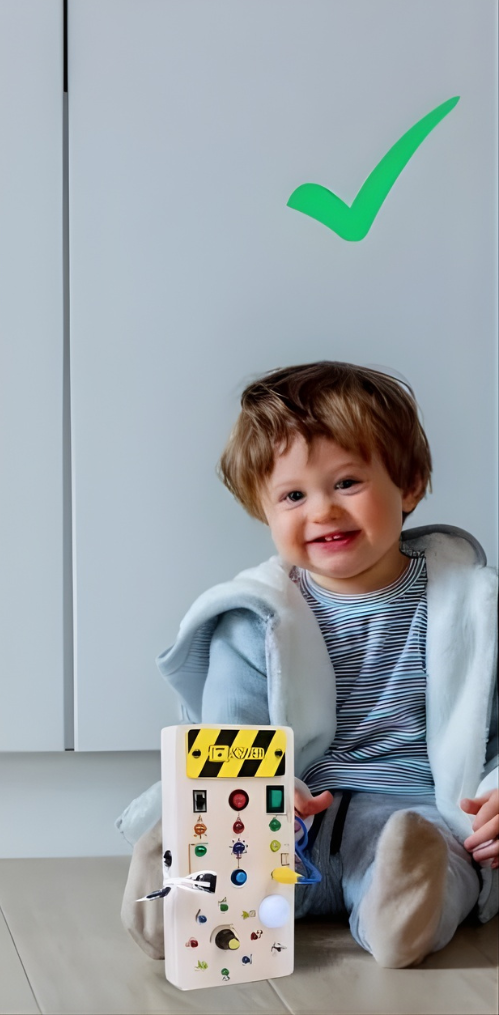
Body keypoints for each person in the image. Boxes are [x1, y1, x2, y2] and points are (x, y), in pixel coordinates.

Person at [119, 361, 498, 968]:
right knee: (226, 845)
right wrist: (260, 792)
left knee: (440, 861)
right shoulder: (256, 617)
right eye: (293, 496)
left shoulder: (470, 608)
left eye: (346, 483)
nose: (320, 510)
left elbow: (491, 726)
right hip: (283, 819)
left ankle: (401, 904)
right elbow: (228, 737)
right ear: (263, 511)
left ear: (409, 484)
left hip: (415, 813)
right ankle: (175, 896)